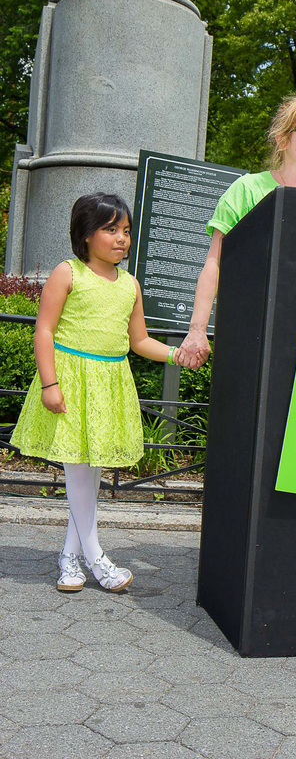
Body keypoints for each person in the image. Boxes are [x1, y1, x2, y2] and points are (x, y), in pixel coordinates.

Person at [11, 193, 180, 592]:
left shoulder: (130, 285)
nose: (121, 238)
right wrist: (50, 383)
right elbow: (44, 330)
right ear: (86, 234)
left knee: (88, 477)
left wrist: (176, 354)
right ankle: (97, 558)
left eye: (126, 230)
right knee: (77, 473)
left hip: (109, 384)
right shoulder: (67, 273)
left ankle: (69, 558)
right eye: (110, 229)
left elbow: (139, 340)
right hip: (71, 381)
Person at [176, 89, 296, 370]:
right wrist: (197, 330)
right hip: (251, 331)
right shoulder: (246, 189)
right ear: (282, 139)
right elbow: (214, 263)